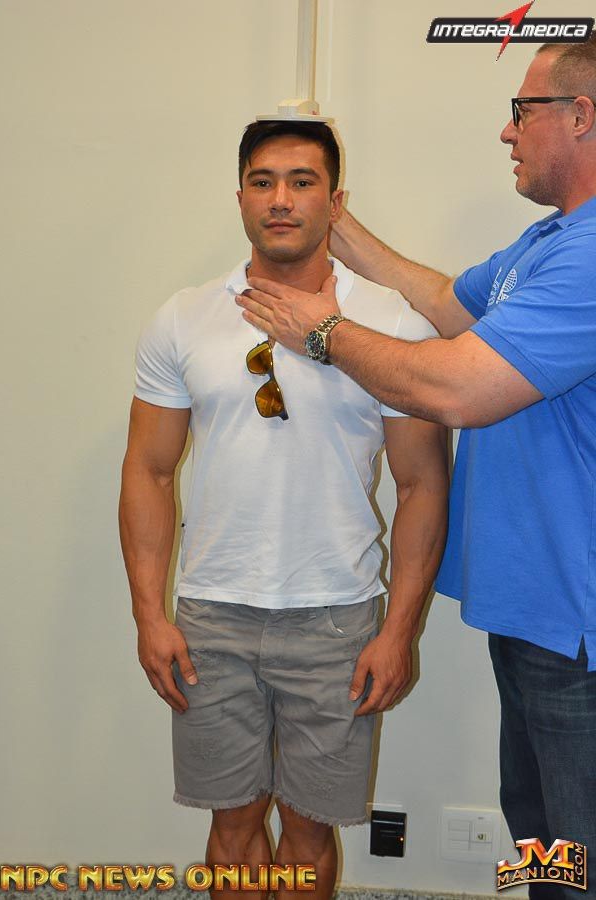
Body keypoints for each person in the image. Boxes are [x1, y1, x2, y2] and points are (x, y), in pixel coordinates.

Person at [236, 37, 596, 898]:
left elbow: (456, 389)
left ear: (581, 117)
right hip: (539, 616)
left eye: (522, 111)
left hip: (581, 630)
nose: (508, 132)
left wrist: (323, 333)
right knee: (542, 836)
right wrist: (327, 216)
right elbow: (441, 301)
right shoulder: (548, 244)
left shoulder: (591, 258)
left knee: (581, 850)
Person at [119, 119, 448, 899]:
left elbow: (422, 486)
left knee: (307, 830)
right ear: (239, 197)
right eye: (262, 181)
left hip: (336, 618)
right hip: (213, 617)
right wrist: (149, 616)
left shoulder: (393, 322)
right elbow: (148, 470)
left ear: (335, 201)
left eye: (303, 182)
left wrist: (398, 632)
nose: (281, 199)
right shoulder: (184, 318)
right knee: (232, 825)